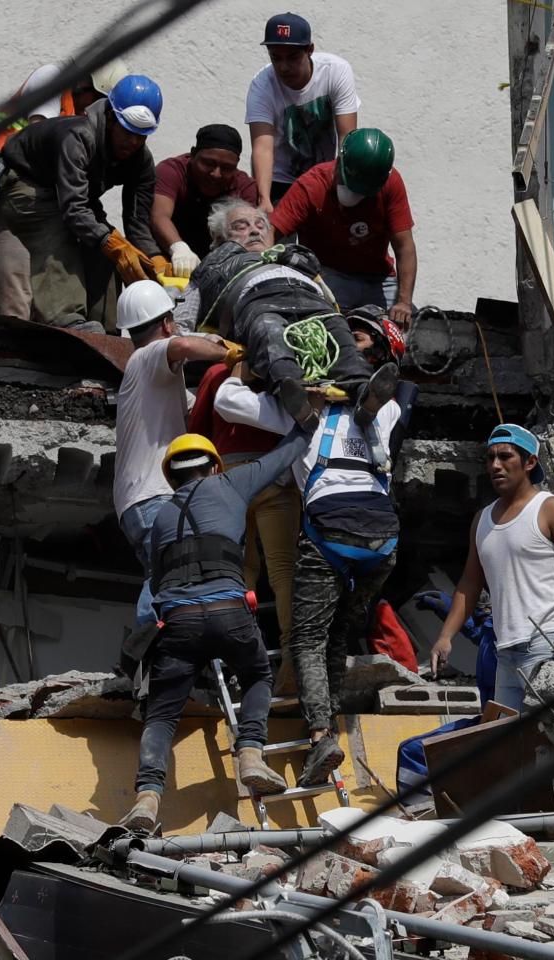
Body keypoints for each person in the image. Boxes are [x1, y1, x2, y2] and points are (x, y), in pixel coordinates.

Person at [215, 306, 411, 787]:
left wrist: (258, 365)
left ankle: (323, 734)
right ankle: (330, 729)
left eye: (361, 336)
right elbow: (373, 392)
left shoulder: (311, 410)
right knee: (338, 637)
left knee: (306, 638)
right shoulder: (387, 410)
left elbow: (225, 399)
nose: (350, 340)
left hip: (331, 533)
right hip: (382, 539)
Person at [121, 423, 316, 832]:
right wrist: (307, 421)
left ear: (171, 475)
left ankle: (147, 798)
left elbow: (157, 582)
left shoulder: (161, 519)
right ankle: (249, 754)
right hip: (230, 611)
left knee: (161, 715)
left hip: (178, 624)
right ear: (213, 467)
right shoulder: (230, 483)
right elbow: (283, 455)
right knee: (259, 674)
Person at [172, 198, 400, 429]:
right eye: (240, 226)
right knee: (268, 329)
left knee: (338, 329)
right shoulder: (208, 269)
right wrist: (211, 342)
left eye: (260, 225)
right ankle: (295, 395)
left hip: (310, 299)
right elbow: (180, 327)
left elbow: (329, 298)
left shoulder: (294, 258)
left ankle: (364, 394)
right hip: (258, 303)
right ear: (220, 239)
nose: (253, 231)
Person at [430, 424, 554, 713]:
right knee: (509, 751)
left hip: (546, 646)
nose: (495, 465)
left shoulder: (550, 508)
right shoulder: (481, 519)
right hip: (504, 653)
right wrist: (445, 637)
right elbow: (469, 583)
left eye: (506, 457)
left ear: (530, 463)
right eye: (490, 457)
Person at [0, 58, 127, 322]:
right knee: (16, 290)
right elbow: (40, 137)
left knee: (47, 277)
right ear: (83, 85)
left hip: (34, 193)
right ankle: (12, 343)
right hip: (1, 184)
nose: (100, 110)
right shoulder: (51, 78)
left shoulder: (83, 119)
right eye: (100, 101)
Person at [0, 75, 169, 332]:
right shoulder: (78, 137)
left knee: (109, 249)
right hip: (24, 182)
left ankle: (106, 327)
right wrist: (111, 243)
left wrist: (154, 258)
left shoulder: (140, 162)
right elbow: (74, 210)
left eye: (141, 135)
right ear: (110, 117)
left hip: (68, 194)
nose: (132, 142)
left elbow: (137, 221)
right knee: (57, 230)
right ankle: (66, 320)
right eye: (127, 131)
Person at [113, 280, 228, 626]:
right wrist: (231, 353)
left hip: (138, 500)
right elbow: (183, 345)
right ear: (165, 323)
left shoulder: (156, 382)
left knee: (167, 570)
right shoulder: (146, 357)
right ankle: (145, 650)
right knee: (166, 572)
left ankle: (158, 651)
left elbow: (197, 411)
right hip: (152, 496)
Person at [188, 362, 301, 694]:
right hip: (275, 471)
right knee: (283, 571)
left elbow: (197, 433)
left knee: (239, 570)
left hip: (229, 477)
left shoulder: (218, 372)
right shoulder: (285, 369)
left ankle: (242, 660)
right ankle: (294, 661)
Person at [270, 127, 417, 326]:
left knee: (407, 329)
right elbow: (271, 233)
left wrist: (404, 302)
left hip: (378, 279)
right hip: (329, 275)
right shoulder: (311, 186)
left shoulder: (391, 183)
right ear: (339, 162)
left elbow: (404, 247)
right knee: (330, 326)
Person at [245, 12, 359, 212]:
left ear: (310, 50)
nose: (284, 67)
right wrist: (264, 200)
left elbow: (347, 138)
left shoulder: (336, 71)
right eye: (275, 58)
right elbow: (262, 147)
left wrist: (343, 185)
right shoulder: (262, 86)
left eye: (292, 57)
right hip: (280, 182)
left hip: (326, 176)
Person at [152, 124, 257, 276]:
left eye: (227, 168)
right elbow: (159, 216)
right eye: (208, 163)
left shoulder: (245, 188)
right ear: (193, 154)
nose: (216, 174)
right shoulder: (171, 171)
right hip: (166, 261)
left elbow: (244, 235)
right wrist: (178, 247)